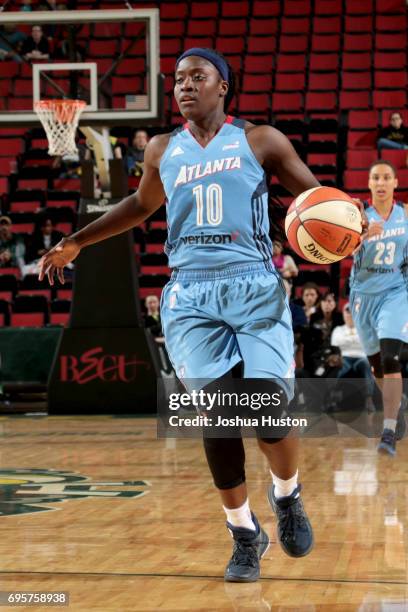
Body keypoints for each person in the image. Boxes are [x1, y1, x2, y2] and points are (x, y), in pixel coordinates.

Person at [39, 47, 363, 582]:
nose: (185, 86)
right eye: (179, 80)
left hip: (254, 289)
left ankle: (287, 495)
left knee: (266, 409)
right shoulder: (163, 149)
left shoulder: (261, 140)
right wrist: (77, 240)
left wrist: (351, 222)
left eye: (198, 77)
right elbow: (141, 206)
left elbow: (318, 199)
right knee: (217, 418)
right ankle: (243, 533)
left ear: (223, 87)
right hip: (190, 296)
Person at [350, 160, 408, 455]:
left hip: (395, 294)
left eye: (387, 177)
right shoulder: (357, 217)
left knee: (390, 359)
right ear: (369, 183)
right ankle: (397, 404)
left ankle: (388, 429)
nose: (381, 182)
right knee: (376, 366)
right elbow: (338, 253)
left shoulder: (406, 215)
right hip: (362, 298)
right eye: (376, 177)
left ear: (396, 183)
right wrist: (360, 237)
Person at [331, 302, 375, 412]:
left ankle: (369, 400)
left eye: (353, 311)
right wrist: (354, 340)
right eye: (347, 311)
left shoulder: (364, 329)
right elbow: (335, 345)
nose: (350, 314)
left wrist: (347, 341)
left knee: (365, 364)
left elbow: (366, 344)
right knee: (338, 366)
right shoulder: (338, 330)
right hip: (344, 357)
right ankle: (334, 400)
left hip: (361, 357)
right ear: (343, 314)